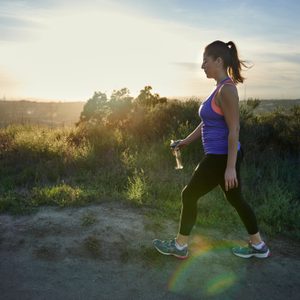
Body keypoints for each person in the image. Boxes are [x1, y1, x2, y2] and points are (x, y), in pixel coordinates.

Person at [153, 40, 270, 259]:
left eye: (205, 61)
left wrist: (230, 167)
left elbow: (234, 129)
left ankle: (179, 246)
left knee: (188, 195)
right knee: (236, 200)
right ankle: (258, 245)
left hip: (221, 156)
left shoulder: (227, 90)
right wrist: (186, 141)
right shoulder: (217, 89)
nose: (202, 66)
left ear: (218, 61)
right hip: (220, 156)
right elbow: (207, 122)